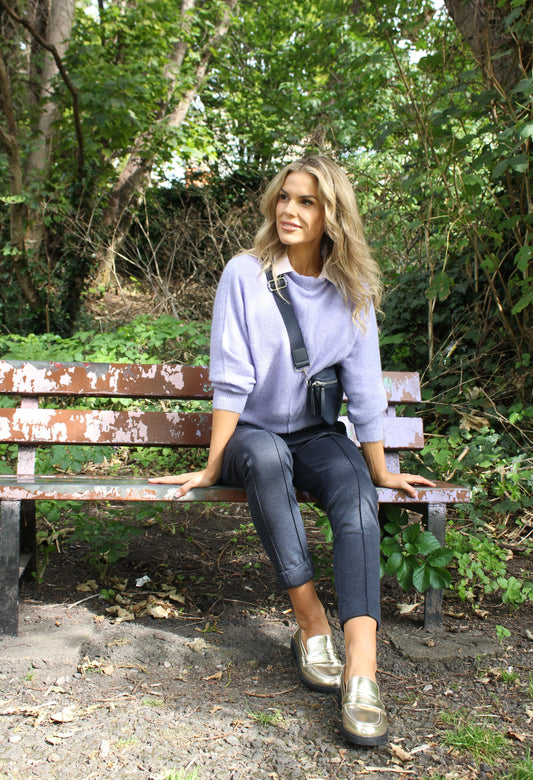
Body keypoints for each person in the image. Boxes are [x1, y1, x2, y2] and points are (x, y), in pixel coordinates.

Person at [150, 155, 434, 747]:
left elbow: (364, 387)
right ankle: (310, 621)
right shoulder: (244, 274)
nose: (290, 210)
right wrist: (212, 464)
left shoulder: (352, 290)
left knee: (356, 491)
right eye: (285, 197)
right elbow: (232, 378)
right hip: (250, 435)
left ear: (333, 215)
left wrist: (379, 468)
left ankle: (362, 671)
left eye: (307, 201)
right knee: (268, 457)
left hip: (315, 434)